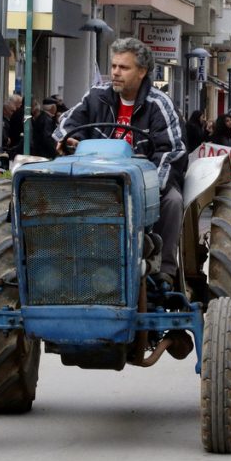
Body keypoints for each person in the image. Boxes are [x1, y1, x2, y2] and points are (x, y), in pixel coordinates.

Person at [53, 37, 187, 286]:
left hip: (143, 184)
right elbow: (67, 124)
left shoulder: (159, 105)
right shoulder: (96, 97)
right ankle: (59, 261)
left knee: (173, 200)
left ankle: (164, 267)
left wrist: (151, 188)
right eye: (113, 66)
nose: (115, 72)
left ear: (142, 72)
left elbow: (173, 151)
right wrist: (68, 139)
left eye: (123, 68)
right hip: (95, 180)